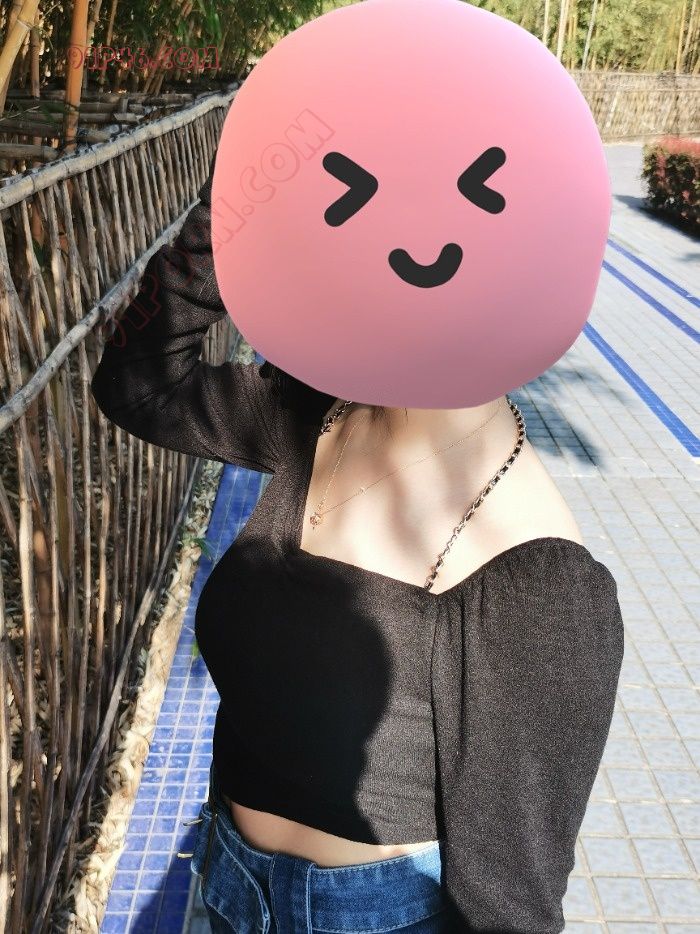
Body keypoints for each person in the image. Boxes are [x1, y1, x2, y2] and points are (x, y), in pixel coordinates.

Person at [91, 159, 625, 933]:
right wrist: (232, 204)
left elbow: (510, 907)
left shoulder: (540, 584)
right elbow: (136, 383)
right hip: (227, 883)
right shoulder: (314, 413)